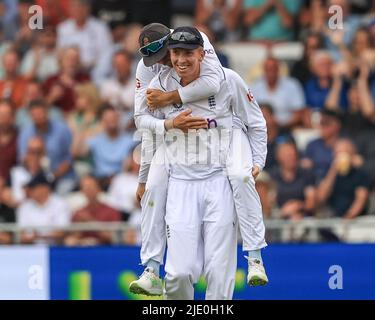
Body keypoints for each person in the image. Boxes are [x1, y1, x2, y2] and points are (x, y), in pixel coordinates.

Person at [130, 25, 268, 297]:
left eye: (187, 53)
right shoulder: (156, 84)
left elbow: (255, 122)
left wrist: (258, 161)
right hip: (182, 180)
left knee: (219, 272)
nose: (179, 60)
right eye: (175, 53)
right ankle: (150, 269)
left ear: (202, 54)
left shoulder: (227, 79)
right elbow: (144, 128)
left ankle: (255, 257)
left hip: (219, 178)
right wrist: (144, 176)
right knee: (180, 274)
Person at [17, 99, 76, 195]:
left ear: (47, 112)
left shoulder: (62, 130)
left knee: (61, 194)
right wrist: (33, 158)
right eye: (35, 114)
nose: (38, 117)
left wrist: (53, 176)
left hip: (62, 177)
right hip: (35, 178)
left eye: (41, 113)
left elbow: (69, 157)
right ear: (30, 116)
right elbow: (22, 159)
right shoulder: (26, 133)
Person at [78, 105, 135, 190]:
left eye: (113, 118)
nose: (111, 121)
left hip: (120, 181)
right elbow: (77, 152)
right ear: (102, 121)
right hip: (100, 180)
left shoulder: (129, 140)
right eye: (107, 119)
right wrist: (85, 127)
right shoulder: (96, 140)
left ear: (118, 119)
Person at [317, 138, 371, 218]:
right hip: (332, 219)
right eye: (338, 153)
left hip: (355, 221)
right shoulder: (329, 174)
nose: (341, 156)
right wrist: (333, 170)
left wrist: (348, 217)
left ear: (352, 154)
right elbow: (321, 197)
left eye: (345, 152)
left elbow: (361, 199)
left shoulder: (361, 174)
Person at [251, 56, 305, 129]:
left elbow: (299, 113)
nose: (271, 71)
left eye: (273, 68)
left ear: (278, 69)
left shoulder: (292, 85)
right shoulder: (255, 87)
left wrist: (281, 124)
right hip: (260, 129)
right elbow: (250, 111)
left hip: (286, 128)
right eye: (268, 68)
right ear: (263, 69)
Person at [65, 175, 121, 246]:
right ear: (82, 191)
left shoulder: (111, 211)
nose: (89, 190)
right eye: (86, 188)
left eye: (91, 187)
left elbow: (115, 238)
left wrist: (89, 221)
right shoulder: (78, 213)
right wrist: (82, 241)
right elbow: (72, 237)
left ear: (99, 189)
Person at [17, 172, 71, 244]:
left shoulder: (60, 204)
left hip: (55, 249)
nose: (29, 191)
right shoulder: (25, 207)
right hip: (31, 249)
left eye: (33, 188)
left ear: (44, 188)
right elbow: (22, 235)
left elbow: (61, 233)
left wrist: (38, 236)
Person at [0, 99, 17, 181]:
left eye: (7, 114)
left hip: (12, 185)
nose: (3, 119)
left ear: (13, 117)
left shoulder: (20, 138)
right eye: (1, 115)